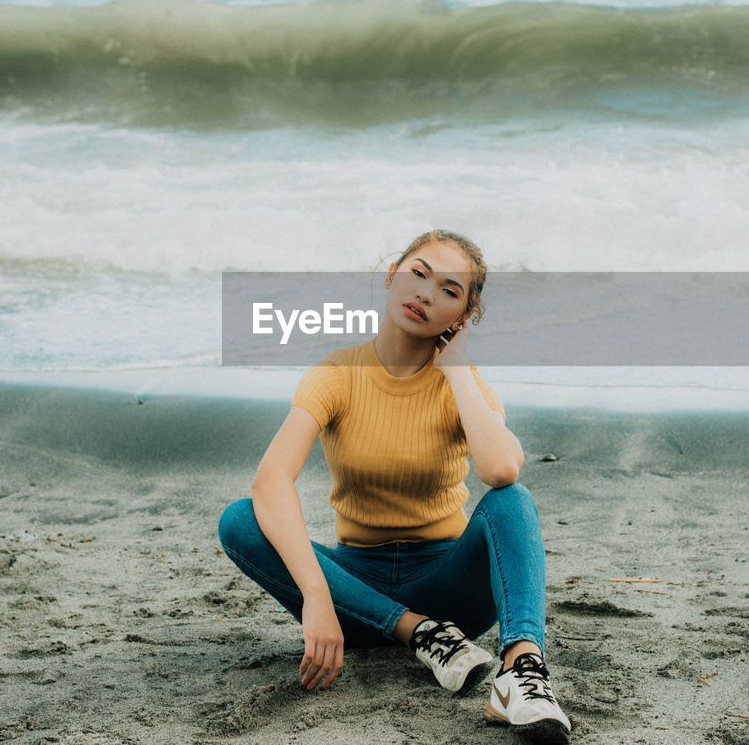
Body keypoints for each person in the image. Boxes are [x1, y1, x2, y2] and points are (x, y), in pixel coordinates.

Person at [218, 230, 571, 744]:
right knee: (240, 519)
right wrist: (316, 594)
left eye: (450, 290)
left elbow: (501, 471)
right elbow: (271, 479)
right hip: (352, 593)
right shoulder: (338, 374)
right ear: (392, 275)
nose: (426, 293)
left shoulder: (463, 383)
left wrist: (455, 371)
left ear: (464, 316)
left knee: (512, 501)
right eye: (419, 273)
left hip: (449, 586)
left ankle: (521, 671)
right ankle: (418, 634)